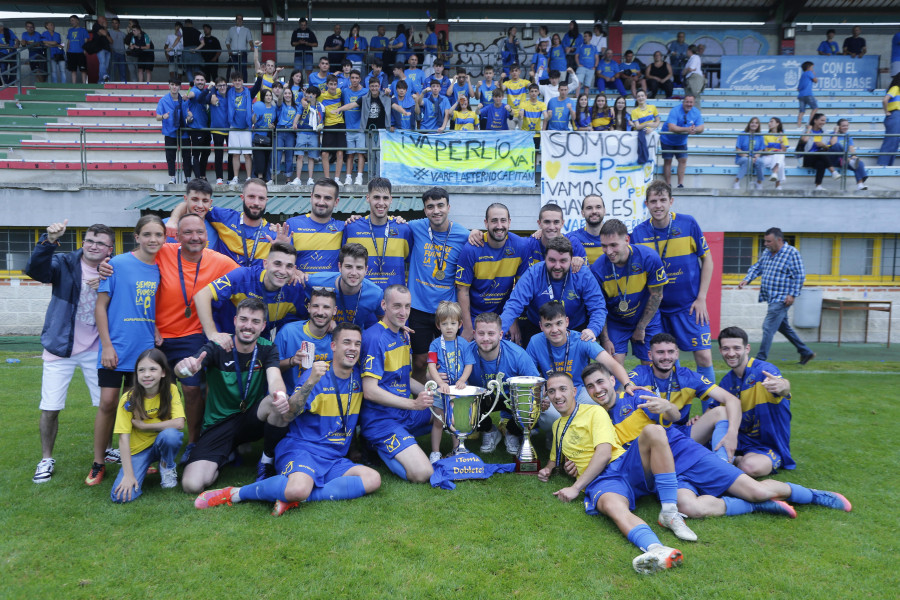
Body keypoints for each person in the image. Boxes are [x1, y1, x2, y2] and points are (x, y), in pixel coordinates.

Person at [581, 362, 852, 525]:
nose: (597, 389)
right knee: (690, 508)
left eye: (600, 382)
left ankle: (813, 495)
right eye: (591, 386)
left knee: (756, 490)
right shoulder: (592, 418)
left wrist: (668, 407)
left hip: (685, 453)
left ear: (613, 380)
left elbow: (673, 418)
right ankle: (756, 506)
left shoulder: (636, 397)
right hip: (666, 475)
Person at [196, 322, 381, 514]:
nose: (352, 348)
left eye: (357, 344)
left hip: (334, 456)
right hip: (302, 449)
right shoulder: (316, 374)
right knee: (297, 488)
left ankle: (296, 497)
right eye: (347, 342)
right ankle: (236, 493)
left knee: (372, 479)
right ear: (333, 346)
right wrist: (310, 382)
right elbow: (290, 413)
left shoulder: (359, 379)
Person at [537, 371, 690, 576]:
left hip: (622, 464)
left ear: (574, 391)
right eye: (551, 391)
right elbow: (556, 456)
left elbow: (604, 452)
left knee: (654, 431)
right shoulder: (557, 426)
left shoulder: (593, 412)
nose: (557, 395)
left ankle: (669, 510)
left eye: (562, 389)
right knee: (611, 506)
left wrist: (575, 488)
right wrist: (548, 468)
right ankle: (657, 549)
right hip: (602, 481)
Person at [27, 221, 114, 484]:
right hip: (60, 346)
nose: (93, 246)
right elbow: (36, 271)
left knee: (106, 404)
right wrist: (48, 241)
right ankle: (46, 458)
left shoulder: (113, 268)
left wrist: (106, 280)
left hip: (96, 347)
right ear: (83, 242)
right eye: (89, 240)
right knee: (51, 407)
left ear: (109, 247)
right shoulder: (64, 263)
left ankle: (108, 451)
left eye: (100, 242)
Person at [176, 298, 290, 491]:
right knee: (192, 485)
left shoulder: (267, 348)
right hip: (218, 424)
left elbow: (275, 378)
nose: (248, 326)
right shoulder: (217, 347)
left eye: (255, 322)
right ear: (235, 320)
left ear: (263, 326)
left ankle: (267, 461)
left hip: (250, 419)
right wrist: (184, 368)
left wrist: (280, 394)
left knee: (277, 401)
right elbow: (184, 370)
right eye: (244, 319)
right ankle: (225, 455)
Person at [88, 215, 165, 486]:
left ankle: (135, 458)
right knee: (108, 404)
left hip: (143, 350)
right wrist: (106, 345)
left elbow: (149, 305)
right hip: (115, 348)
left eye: (158, 235)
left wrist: (154, 327)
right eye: (147, 234)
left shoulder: (159, 268)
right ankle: (98, 462)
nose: (153, 240)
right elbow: (100, 307)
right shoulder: (116, 265)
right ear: (137, 237)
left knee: (136, 408)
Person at [631, 181, 716, 382]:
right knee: (662, 361)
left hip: (688, 306)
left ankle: (712, 408)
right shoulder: (638, 233)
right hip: (656, 310)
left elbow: (707, 260)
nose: (658, 205)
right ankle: (672, 408)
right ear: (646, 204)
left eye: (662, 200)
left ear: (671, 201)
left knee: (704, 356)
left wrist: (702, 297)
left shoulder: (688, 224)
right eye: (653, 201)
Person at [360, 285, 436, 482]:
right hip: (381, 421)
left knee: (449, 411)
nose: (403, 313)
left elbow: (403, 379)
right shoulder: (374, 338)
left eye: (407, 306)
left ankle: (405, 442)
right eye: (397, 306)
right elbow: (369, 391)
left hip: (404, 413)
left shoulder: (403, 334)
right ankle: (375, 445)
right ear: (384, 305)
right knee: (422, 474)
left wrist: (438, 394)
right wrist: (414, 404)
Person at [407, 188, 470, 383]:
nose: (436, 211)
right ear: (424, 210)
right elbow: (390, 223)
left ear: (448, 207)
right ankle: (421, 401)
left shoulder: (464, 234)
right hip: (419, 307)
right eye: (430, 207)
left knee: (451, 359)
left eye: (440, 205)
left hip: (448, 309)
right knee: (420, 361)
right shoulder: (414, 227)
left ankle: (449, 398)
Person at [500, 236, 606, 347]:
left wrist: (592, 330)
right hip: (538, 328)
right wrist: (499, 331)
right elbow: (514, 304)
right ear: (545, 258)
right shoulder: (533, 274)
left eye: (563, 261)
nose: (557, 266)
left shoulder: (583, 274)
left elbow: (598, 307)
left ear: (571, 259)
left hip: (575, 328)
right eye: (552, 260)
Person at [527, 300, 633, 408]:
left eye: (559, 323)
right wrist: (539, 396)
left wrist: (627, 384)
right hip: (554, 393)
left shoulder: (582, 339)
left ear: (566, 322)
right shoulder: (535, 342)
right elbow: (529, 377)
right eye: (548, 325)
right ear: (541, 326)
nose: (555, 330)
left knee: (597, 404)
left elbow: (612, 364)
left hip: (580, 391)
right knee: (547, 413)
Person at [110, 349, 184, 502]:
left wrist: (144, 426)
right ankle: (137, 471)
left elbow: (179, 423)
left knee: (171, 435)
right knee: (120, 497)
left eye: (153, 369)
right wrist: (129, 476)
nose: (147, 375)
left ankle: (166, 465)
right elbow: (123, 439)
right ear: (136, 374)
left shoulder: (171, 390)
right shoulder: (128, 399)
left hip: (161, 443)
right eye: (141, 370)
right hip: (138, 450)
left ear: (163, 372)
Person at [194, 241, 306, 343]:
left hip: (258, 346)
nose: (282, 271)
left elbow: (305, 323)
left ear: (294, 269)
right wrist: (212, 333)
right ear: (265, 264)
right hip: (225, 340)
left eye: (289, 266)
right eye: (277, 264)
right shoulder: (243, 276)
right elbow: (201, 295)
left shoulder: (295, 289)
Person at [591, 219, 666, 366]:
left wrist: (641, 327)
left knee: (654, 364)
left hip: (646, 317)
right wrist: (605, 339)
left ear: (627, 240)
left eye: (613, 245)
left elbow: (656, 295)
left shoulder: (649, 258)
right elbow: (599, 307)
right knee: (612, 366)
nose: (609, 251)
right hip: (616, 321)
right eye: (604, 246)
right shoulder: (597, 269)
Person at [739, 227, 815, 364]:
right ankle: (806, 352)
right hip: (771, 297)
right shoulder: (767, 253)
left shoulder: (792, 253)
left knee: (768, 327)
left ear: (779, 240)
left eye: (769, 241)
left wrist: (792, 294)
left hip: (782, 299)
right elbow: (758, 267)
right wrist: (747, 279)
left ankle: (760, 360)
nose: (766, 244)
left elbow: (799, 276)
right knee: (782, 327)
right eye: (765, 241)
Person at [455, 203, 528, 340]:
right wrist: (468, 327)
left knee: (506, 358)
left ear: (509, 222)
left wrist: (512, 319)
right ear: (486, 223)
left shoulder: (520, 246)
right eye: (494, 221)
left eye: (503, 220)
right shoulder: (471, 249)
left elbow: (520, 289)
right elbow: (462, 290)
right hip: (474, 316)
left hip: (504, 316)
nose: (499, 226)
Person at [427, 301, 476, 462]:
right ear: (438, 325)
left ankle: (457, 449)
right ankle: (435, 452)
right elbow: (432, 365)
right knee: (438, 421)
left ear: (460, 324)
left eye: (453, 323)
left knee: (458, 421)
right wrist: (440, 383)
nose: (449, 327)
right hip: (442, 391)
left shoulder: (463, 343)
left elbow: (469, 364)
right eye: (445, 323)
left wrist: (463, 380)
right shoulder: (434, 344)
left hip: (460, 390)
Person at [342, 177, 411, 289]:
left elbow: (413, 264)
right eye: (376, 197)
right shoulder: (351, 228)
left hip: (393, 301)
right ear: (368, 198)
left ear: (391, 199)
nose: (381, 203)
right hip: (362, 298)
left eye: (385, 198)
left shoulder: (403, 229)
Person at [303, 243, 384, 328]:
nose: (353, 273)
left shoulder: (376, 294)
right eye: (348, 267)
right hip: (323, 336)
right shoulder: (317, 282)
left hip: (355, 339)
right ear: (340, 267)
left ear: (366, 270)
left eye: (359, 268)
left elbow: (385, 323)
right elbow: (296, 277)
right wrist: (298, 273)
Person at [275, 287, 336, 393]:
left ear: (334, 310)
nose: (320, 312)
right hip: (291, 397)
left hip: (324, 400)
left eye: (326, 307)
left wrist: (338, 332)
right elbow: (270, 368)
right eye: (315, 306)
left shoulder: (338, 337)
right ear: (308, 308)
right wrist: (292, 361)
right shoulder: (289, 332)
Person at [285, 177, 344, 273]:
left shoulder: (343, 227)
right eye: (317, 196)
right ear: (311, 197)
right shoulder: (292, 224)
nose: (321, 202)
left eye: (327, 198)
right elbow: (284, 261)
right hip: (299, 287)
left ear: (336, 202)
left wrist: (356, 217)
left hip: (330, 288)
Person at [659, 95, 704, 188]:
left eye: (691, 102)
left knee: (683, 160)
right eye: (687, 102)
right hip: (667, 139)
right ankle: (668, 185)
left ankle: (680, 184)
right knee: (668, 161)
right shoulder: (675, 110)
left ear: (694, 103)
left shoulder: (696, 112)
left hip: (681, 141)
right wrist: (687, 129)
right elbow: (672, 127)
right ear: (683, 102)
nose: (689, 104)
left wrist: (694, 129)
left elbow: (701, 128)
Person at [156, 78, 190, 185]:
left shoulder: (184, 100)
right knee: (170, 156)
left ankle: (187, 178)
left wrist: (190, 116)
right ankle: (172, 177)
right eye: (172, 84)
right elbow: (157, 117)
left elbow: (188, 114)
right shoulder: (163, 100)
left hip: (183, 131)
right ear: (169, 86)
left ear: (180, 87)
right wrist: (163, 116)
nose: (174, 87)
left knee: (187, 156)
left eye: (177, 85)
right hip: (170, 131)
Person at [225, 72, 254, 183]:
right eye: (235, 80)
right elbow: (218, 87)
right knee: (235, 154)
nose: (237, 82)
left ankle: (248, 178)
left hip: (246, 127)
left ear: (242, 81)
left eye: (239, 80)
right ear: (232, 82)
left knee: (247, 154)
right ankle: (236, 178)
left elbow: (258, 85)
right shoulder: (229, 91)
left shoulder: (248, 92)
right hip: (233, 126)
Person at [292, 86, 324, 185]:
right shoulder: (303, 104)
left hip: (314, 134)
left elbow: (322, 120)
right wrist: (294, 123)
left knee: (311, 157)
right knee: (300, 156)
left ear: (314, 95)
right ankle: (298, 178)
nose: (306, 95)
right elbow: (298, 114)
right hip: (302, 132)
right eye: (306, 93)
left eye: (309, 93)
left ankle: (310, 179)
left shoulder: (320, 106)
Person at [800, 112, 840, 190]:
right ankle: (833, 172)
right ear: (815, 120)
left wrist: (823, 145)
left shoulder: (825, 132)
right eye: (822, 120)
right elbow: (804, 140)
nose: (823, 123)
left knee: (821, 163)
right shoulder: (806, 130)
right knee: (820, 153)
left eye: (824, 121)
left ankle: (818, 185)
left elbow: (828, 148)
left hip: (820, 158)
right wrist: (809, 130)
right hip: (807, 157)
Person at [184, 72, 212, 182]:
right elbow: (190, 95)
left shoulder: (205, 93)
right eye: (198, 80)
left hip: (206, 128)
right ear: (194, 82)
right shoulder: (194, 90)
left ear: (205, 82)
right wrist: (186, 96)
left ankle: (202, 175)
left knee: (206, 152)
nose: (200, 82)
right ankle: (197, 177)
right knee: (196, 154)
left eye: (202, 80)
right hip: (196, 128)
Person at [319, 75, 347, 182]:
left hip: (340, 124)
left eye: (335, 84)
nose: (333, 87)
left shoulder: (340, 92)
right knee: (325, 153)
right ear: (327, 85)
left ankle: (337, 179)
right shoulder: (322, 95)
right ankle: (327, 179)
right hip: (328, 126)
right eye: (331, 84)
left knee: (340, 153)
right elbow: (308, 98)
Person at [829, 118, 869, 191]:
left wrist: (854, 156)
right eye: (843, 126)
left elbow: (851, 148)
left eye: (847, 126)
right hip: (834, 159)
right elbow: (833, 144)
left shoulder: (848, 136)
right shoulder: (832, 134)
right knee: (838, 146)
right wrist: (835, 132)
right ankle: (850, 161)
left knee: (859, 163)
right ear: (838, 126)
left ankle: (860, 185)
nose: (845, 127)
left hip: (843, 160)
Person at [567, 194, 606, 264]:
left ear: (604, 211)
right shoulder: (572, 238)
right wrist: (542, 232)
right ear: (582, 213)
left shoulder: (616, 237)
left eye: (598, 207)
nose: (594, 211)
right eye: (589, 208)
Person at [251, 88, 277, 183]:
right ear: (263, 97)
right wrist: (254, 114)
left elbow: (274, 121)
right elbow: (253, 121)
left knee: (267, 157)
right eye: (266, 95)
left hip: (269, 135)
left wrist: (272, 125)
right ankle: (259, 178)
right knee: (259, 157)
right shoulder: (259, 107)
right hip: (258, 135)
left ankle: (266, 177)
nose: (269, 97)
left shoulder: (274, 109)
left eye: (270, 95)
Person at [273, 87, 299, 184]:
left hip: (290, 132)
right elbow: (279, 99)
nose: (287, 95)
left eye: (289, 93)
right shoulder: (280, 105)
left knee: (289, 155)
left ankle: (288, 179)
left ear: (292, 95)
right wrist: (282, 90)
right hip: (280, 131)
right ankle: (273, 177)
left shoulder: (296, 106)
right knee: (277, 154)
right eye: (285, 93)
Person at [734, 117, 765, 190]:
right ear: (749, 124)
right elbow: (738, 149)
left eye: (756, 123)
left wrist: (755, 157)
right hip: (742, 158)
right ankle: (736, 181)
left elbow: (761, 150)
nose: (754, 124)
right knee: (748, 160)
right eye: (752, 122)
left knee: (760, 161)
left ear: (758, 125)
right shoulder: (742, 134)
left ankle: (759, 182)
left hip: (754, 158)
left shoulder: (760, 136)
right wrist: (748, 156)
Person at [877, 73, 900, 166]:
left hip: (897, 116)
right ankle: (882, 164)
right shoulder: (895, 88)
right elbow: (884, 100)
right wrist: (886, 112)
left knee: (895, 142)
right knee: (891, 141)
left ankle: (888, 165)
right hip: (895, 115)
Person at [759, 117, 789, 189]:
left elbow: (784, 150)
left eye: (771, 122)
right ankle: (778, 184)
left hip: (777, 157)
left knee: (780, 155)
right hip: (768, 157)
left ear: (777, 124)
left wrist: (781, 141)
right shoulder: (766, 136)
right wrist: (773, 152)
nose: (769, 123)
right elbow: (765, 151)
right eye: (769, 122)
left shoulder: (783, 136)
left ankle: (774, 174)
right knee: (781, 161)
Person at [225, 14, 253, 81]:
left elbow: (250, 40)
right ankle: (237, 82)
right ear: (236, 20)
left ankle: (245, 83)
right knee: (236, 69)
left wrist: (252, 46)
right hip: (234, 53)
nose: (239, 20)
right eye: (238, 19)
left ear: (242, 21)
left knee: (243, 68)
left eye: (241, 19)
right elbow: (227, 41)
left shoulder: (246, 30)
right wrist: (229, 50)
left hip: (243, 52)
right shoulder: (231, 29)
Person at [65, 15, 88, 84]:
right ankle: (73, 84)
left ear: (77, 21)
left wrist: (85, 50)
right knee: (73, 70)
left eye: (73, 20)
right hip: (71, 52)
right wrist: (67, 51)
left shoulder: (83, 30)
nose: (72, 22)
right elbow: (69, 41)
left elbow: (86, 41)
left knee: (83, 69)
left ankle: (84, 84)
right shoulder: (70, 30)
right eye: (71, 21)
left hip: (81, 52)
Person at [796, 61, 818, 129]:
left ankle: (798, 125)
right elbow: (815, 80)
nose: (813, 69)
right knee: (815, 108)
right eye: (812, 67)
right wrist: (814, 75)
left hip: (801, 95)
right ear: (808, 67)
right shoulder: (809, 73)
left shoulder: (803, 75)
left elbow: (798, 88)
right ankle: (810, 123)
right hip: (808, 94)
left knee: (801, 111)